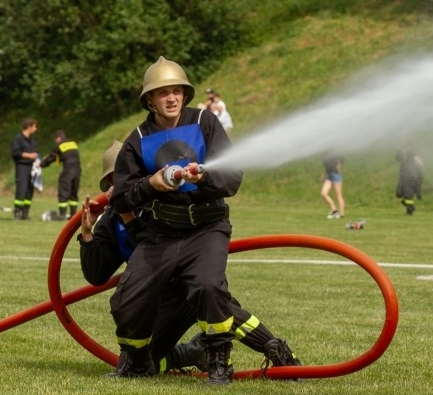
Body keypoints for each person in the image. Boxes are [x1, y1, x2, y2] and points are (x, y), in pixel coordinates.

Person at [79, 142, 301, 377]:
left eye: (127, 176)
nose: (122, 185)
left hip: (190, 282)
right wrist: (87, 234)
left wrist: (130, 218)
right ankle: (193, 353)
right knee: (138, 366)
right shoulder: (112, 219)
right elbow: (97, 275)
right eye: (116, 180)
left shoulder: (168, 202)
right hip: (161, 301)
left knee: (210, 297)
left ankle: (277, 351)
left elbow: (159, 248)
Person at [108, 56, 243, 385]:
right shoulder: (137, 139)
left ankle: (218, 362)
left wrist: (203, 178)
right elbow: (121, 197)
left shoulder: (205, 122)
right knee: (127, 300)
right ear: (150, 100)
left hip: (206, 228)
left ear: (185, 94)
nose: (171, 98)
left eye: (177, 91)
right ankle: (137, 362)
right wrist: (151, 184)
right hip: (161, 233)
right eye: (162, 92)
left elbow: (232, 178)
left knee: (209, 288)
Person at [40, 130, 81, 220]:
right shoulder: (73, 143)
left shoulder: (59, 145)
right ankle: (73, 214)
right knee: (73, 192)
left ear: (58, 138)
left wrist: (42, 164)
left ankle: (62, 214)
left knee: (64, 190)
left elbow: (51, 157)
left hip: (68, 170)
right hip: (78, 169)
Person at [10, 118, 39, 220]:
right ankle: (17, 211)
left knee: (29, 190)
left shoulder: (32, 140)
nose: (36, 129)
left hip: (31, 168)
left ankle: (25, 213)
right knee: (21, 189)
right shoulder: (18, 139)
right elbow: (15, 153)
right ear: (29, 127)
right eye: (34, 126)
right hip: (22, 167)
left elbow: (35, 151)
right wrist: (29, 155)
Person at [395, 145, 423, 215]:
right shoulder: (401, 152)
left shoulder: (413, 154)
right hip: (403, 176)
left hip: (411, 177)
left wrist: (415, 169)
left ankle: (409, 210)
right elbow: (398, 160)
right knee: (399, 193)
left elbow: (420, 163)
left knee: (408, 195)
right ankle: (410, 207)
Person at [321, 152, 345, 219]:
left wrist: (339, 165)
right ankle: (334, 210)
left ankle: (341, 214)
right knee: (324, 193)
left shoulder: (334, 152)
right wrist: (324, 174)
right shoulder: (324, 154)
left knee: (338, 195)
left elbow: (342, 158)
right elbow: (327, 166)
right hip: (329, 175)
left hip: (336, 175)